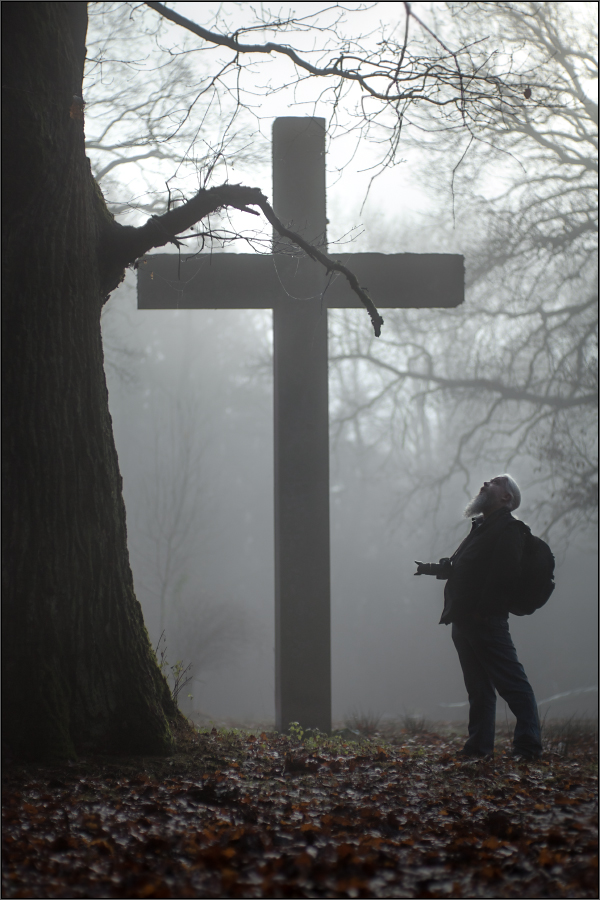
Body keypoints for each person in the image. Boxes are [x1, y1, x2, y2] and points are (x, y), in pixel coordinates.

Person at [415, 475, 542, 761]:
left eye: (495, 482)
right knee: (479, 690)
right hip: (465, 621)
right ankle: (478, 749)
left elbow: (506, 576)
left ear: (506, 498)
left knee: (513, 685)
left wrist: (482, 612)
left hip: (485, 621)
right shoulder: (481, 528)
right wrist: (431, 568)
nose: (485, 483)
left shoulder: (509, 529)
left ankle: (528, 748)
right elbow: (465, 568)